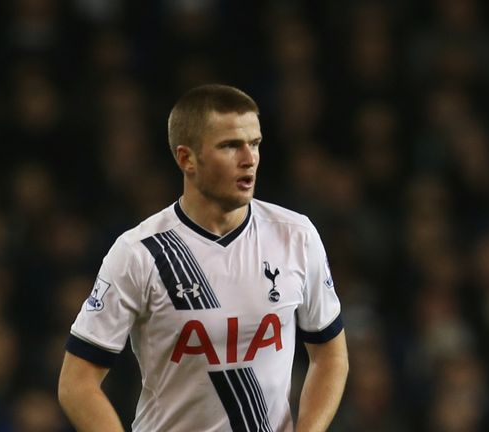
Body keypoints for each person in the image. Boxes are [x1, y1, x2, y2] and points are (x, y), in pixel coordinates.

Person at [58, 84, 349, 432]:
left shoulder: (295, 236)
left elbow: (330, 354)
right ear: (186, 159)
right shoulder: (140, 253)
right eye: (230, 146)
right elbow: (77, 383)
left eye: (255, 143)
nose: (249, 158)